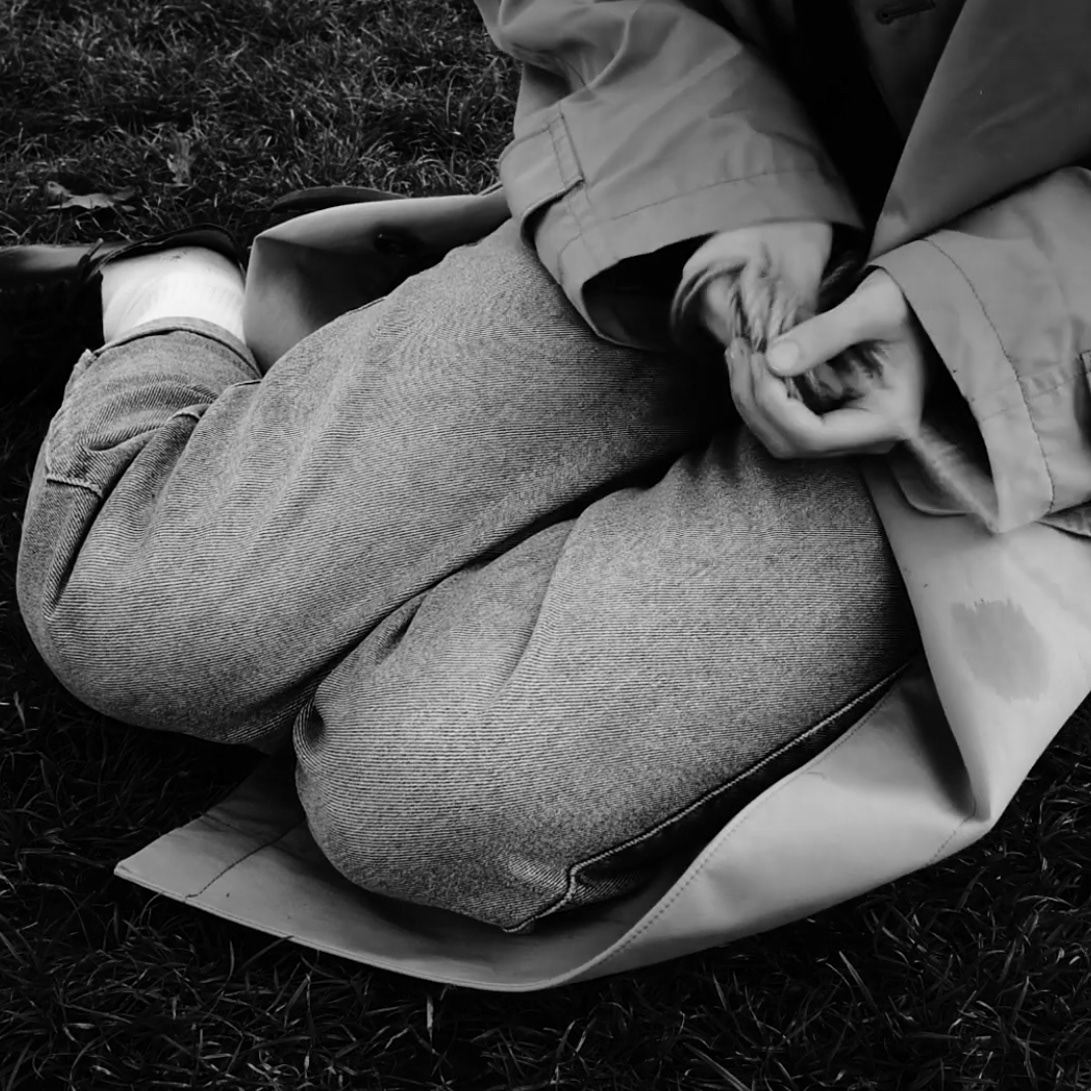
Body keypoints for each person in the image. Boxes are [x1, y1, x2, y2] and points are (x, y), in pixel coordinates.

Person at [4, 0, 1090, 936]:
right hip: (690, 202)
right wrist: (728, 191)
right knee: (132, 613)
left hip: (1027, 370)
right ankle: (178, 292)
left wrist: (966, 325)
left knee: (432, 804)